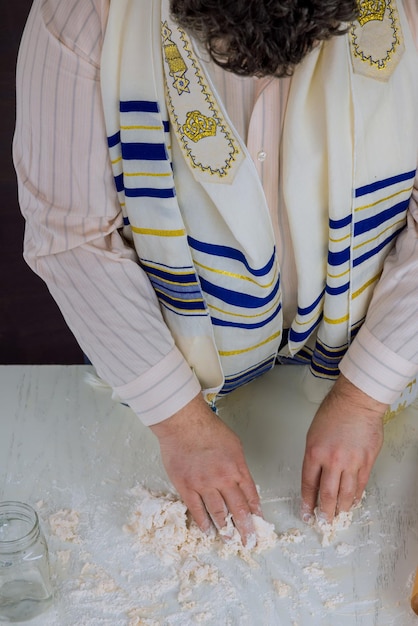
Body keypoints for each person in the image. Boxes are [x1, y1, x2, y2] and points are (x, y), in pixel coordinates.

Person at [14, 0, 418, 545]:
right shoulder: (83, 11)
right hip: (162, 366)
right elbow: (73, 237)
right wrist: (180, 423)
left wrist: (365, 397)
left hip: (373, 348)